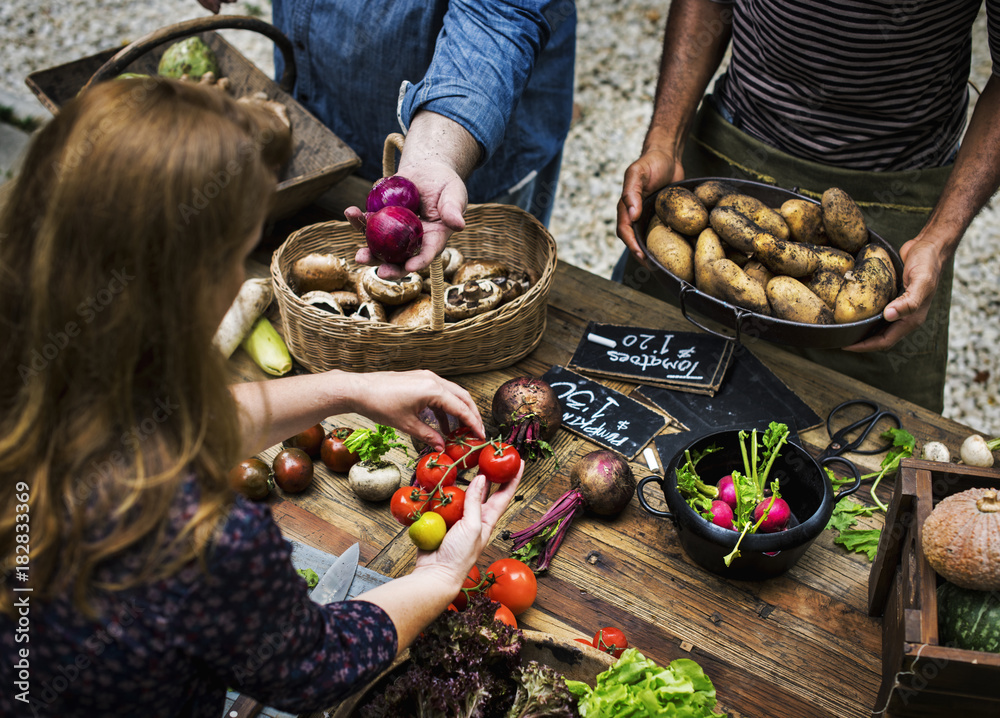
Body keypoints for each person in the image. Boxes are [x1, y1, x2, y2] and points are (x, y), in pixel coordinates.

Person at [0, 77, 521, 717]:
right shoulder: (200, 538)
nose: (241, 276)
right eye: (237, 253)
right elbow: (313, 668)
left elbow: (156, 431)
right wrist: (439, 578)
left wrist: (347, 389)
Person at [616, 0, 1000, 413]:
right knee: (641, 387)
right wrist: (663, 140)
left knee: (864, 426)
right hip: (728, 161)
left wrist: (938, 241)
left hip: (895, 198)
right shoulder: (707, 218)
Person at [198, 0, 577, 280]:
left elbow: (498, 20)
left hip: (463, 138)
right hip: (323, 112)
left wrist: (435, 154)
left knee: (477, 281)